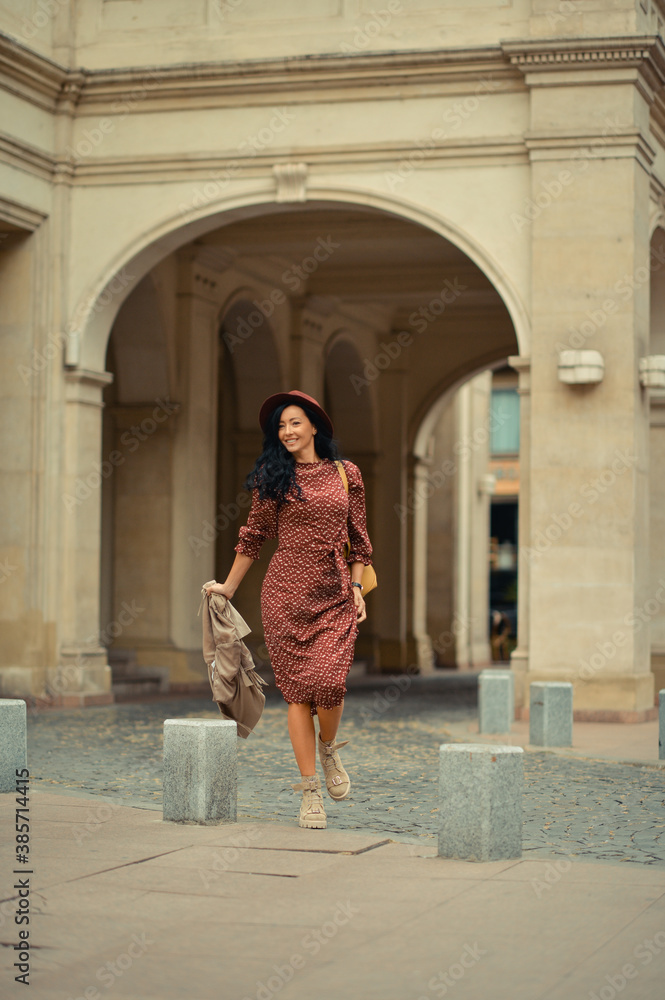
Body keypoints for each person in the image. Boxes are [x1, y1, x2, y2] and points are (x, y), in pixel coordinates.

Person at [205, 389, 373, 830]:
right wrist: (227, 587)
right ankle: (310, 791)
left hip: (335, 592)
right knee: (299, 693)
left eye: (295, 422)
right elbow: (253, 536)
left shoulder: (345, 474)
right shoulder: (272, 477)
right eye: (280, 426)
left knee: (330, 681)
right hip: (285, 595)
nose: (287, 431)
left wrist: (356, 587)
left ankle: (329, 748)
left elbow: (360, 539)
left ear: (315, 426)